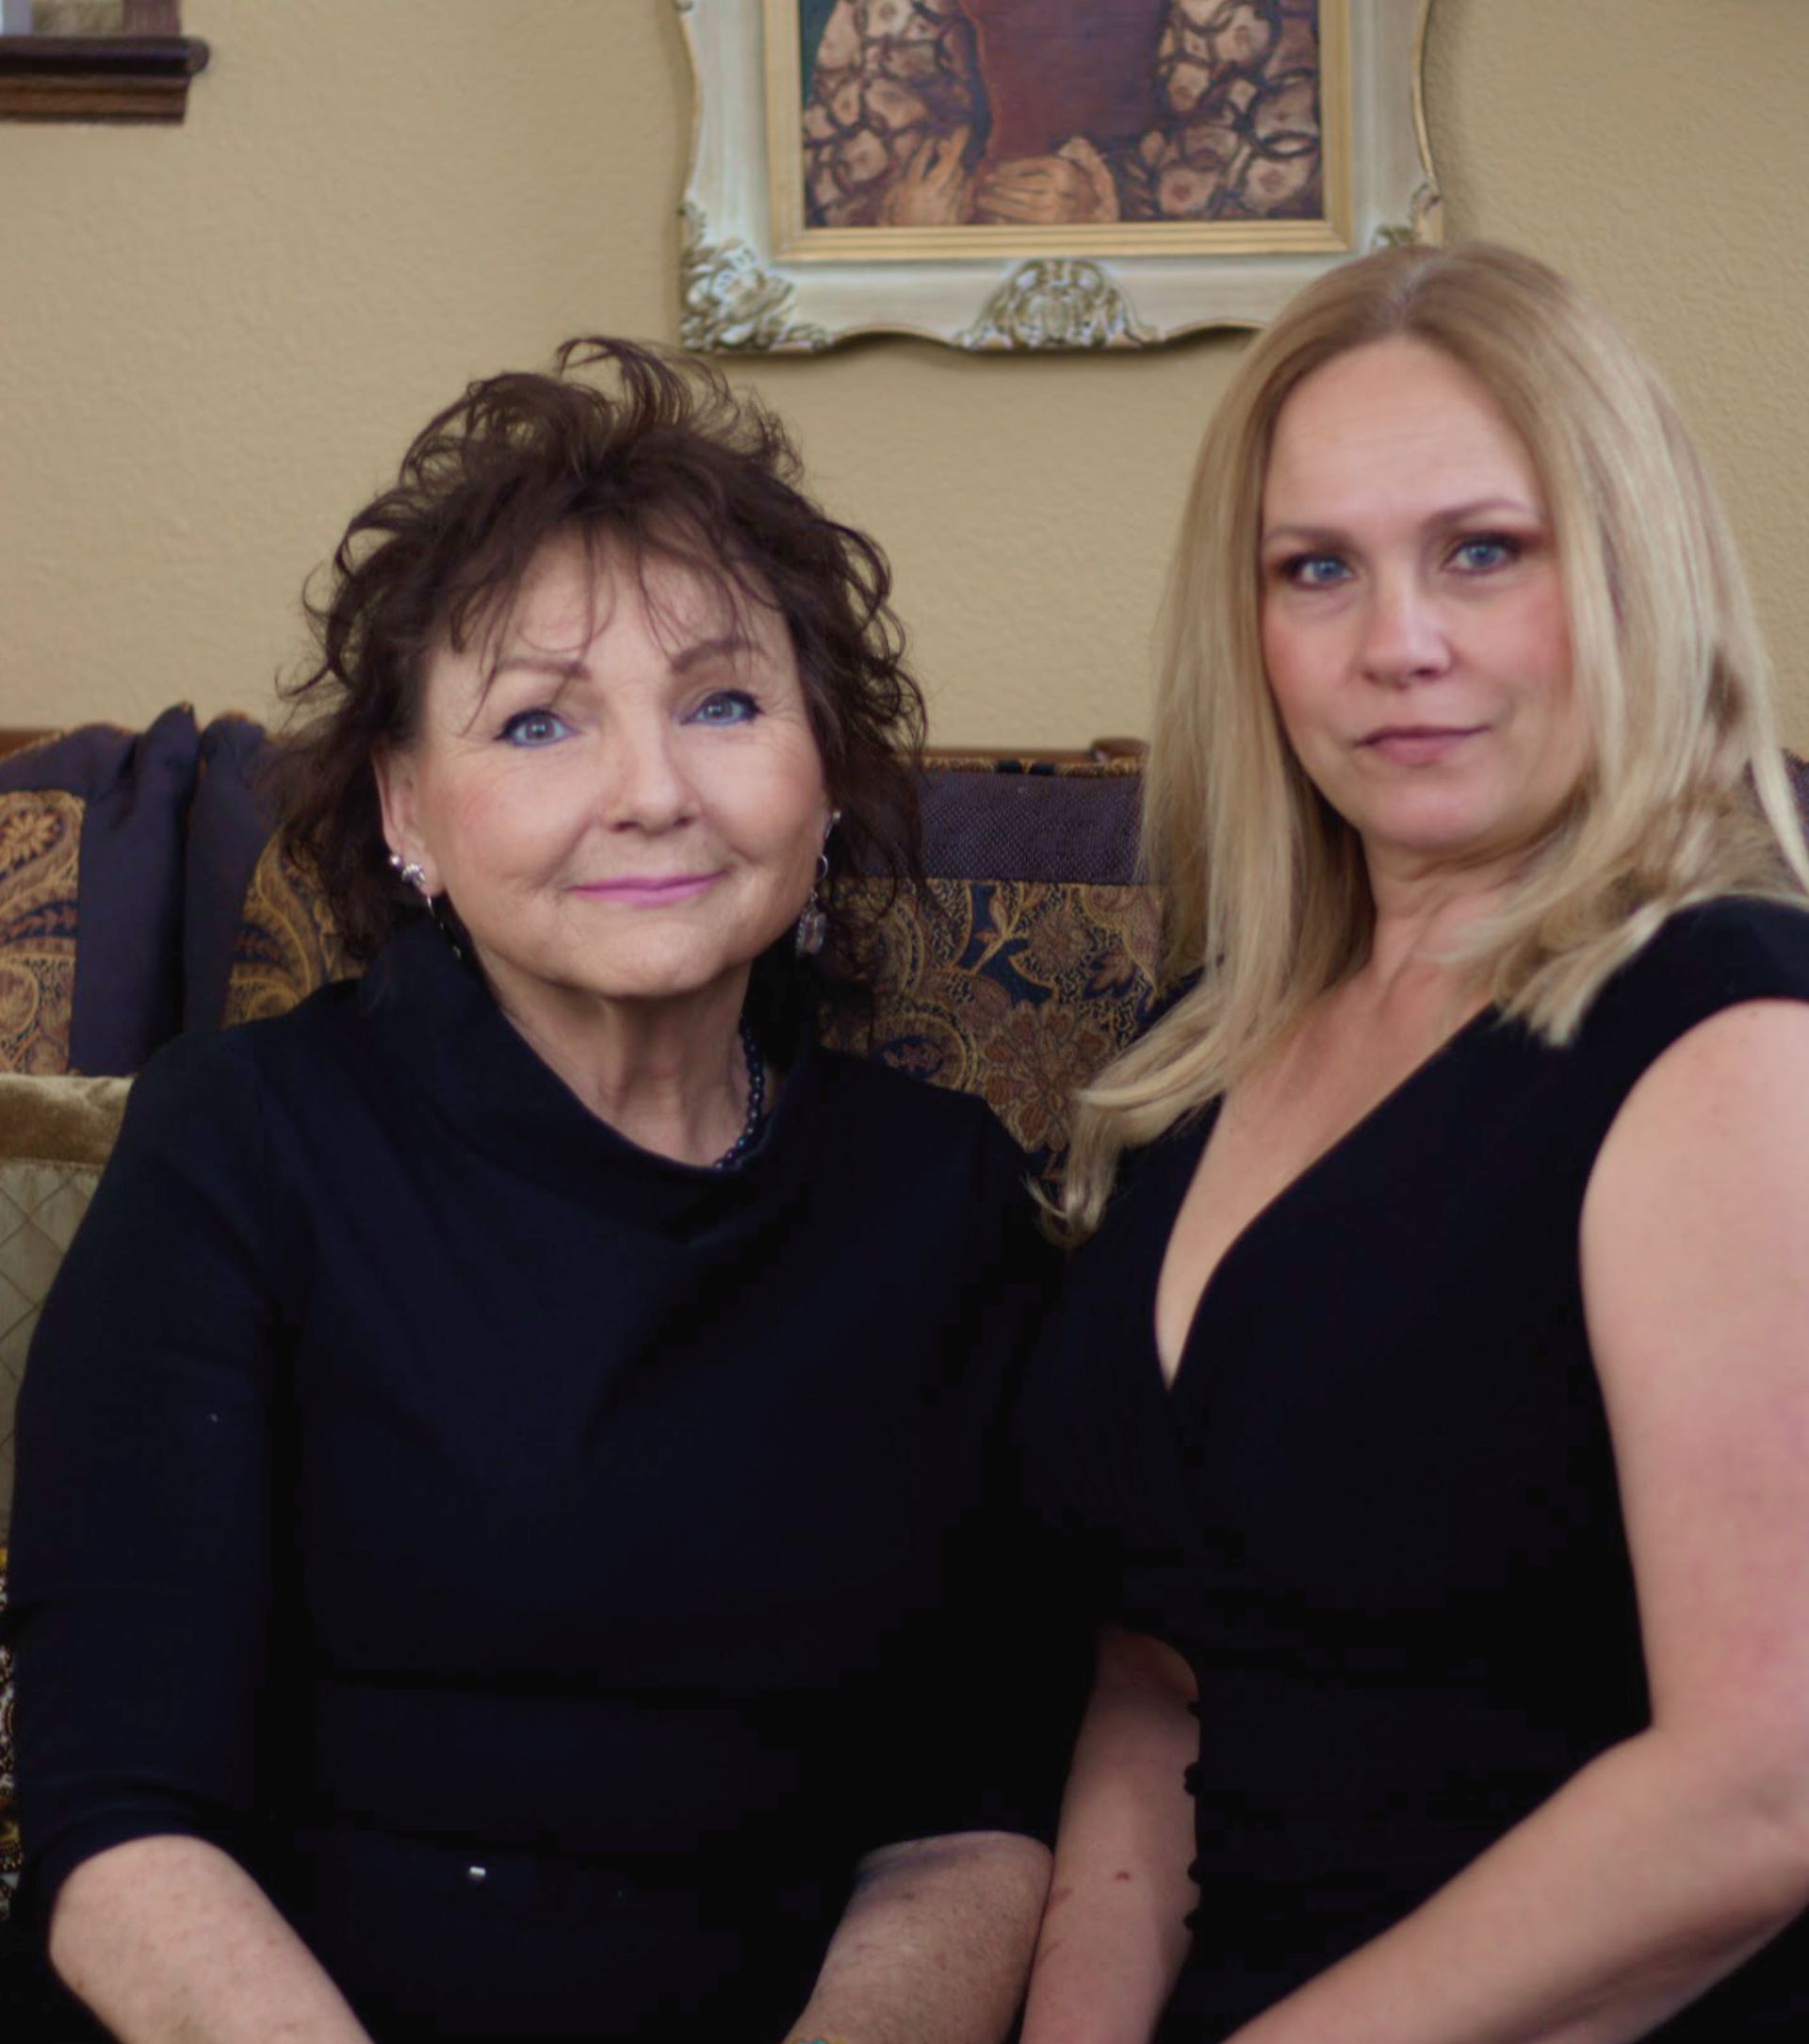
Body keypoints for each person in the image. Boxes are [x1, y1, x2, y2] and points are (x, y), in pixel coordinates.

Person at [8, 339, 1070, 2042]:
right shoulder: (242, 1144)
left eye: (723, 701)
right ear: (407, 807)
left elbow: (964, 1821)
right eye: (538, 719)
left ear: (823, 776)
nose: (651, 789)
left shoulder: (937, 1198)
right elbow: (122, 1828)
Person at [1019, 240, 1809, 2042]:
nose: (1401, 646)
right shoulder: (1205, 1048)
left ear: (1630, 566)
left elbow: (1767, 1789)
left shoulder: (1734, 1033)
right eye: (1319, 570)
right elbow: (1158, 1676)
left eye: (1482, 550)